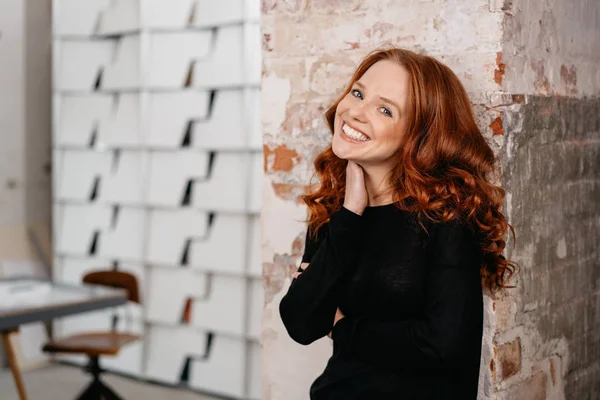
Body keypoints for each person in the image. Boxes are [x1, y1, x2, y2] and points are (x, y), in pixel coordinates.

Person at [278, 47, 519, 400]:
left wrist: (343, 326)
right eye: (358, 93)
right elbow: (301, 323)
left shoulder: (447, 217)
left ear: (417, 136)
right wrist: (349, 217)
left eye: (385, 109)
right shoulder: (337, 209)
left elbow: (442, 345)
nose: (356, 112)